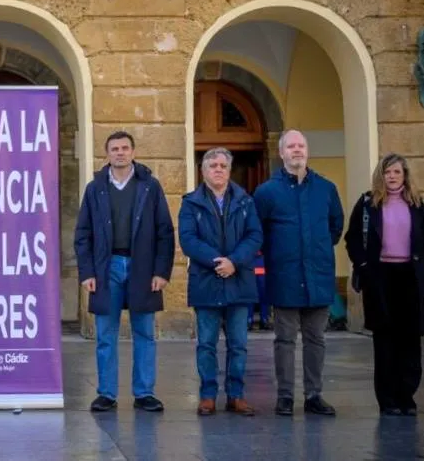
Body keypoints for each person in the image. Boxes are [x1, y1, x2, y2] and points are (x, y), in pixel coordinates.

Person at [74, 130, 175, 413]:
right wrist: (87, 272)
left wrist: (161, 272)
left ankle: (144, 393)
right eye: (114, 149)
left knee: (144, 332)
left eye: (125, 148)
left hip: (142, 268)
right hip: (107, 268)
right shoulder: (95, 188)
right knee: (106, 334)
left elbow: (164, 232)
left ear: (133, 152)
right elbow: (83, 234)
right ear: (107, 154)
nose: (120, 152)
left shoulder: (149, 186)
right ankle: (106, 393)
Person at [253, 129, 343, 417]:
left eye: (301, 145)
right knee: (285, 340)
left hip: (318, 274)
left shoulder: (326, 189)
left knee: (317, 338)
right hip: (285, 276)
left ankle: (314, 395)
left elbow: (335, 227)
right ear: (281, 153)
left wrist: (313, 250)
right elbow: (258, 232)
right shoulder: (267, 192)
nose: (296, 150)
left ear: (307, 151)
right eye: (290, 146)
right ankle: (286, 396)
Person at [179, 147, 262, 416]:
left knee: (238, 344)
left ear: (229, 170)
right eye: (212, 165)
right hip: (206, 280)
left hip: (239, 281)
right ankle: (208, 395)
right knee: (206, 344)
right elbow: (188, 240)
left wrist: (234, 262)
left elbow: (255, 236)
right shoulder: (191, 202)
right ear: (203, 171)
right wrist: (218, 262)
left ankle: (236, 395)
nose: (217, 169)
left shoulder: (245, 201)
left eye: (222, 165)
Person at [345, 153, 424, 416]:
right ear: (381, 175)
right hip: (380, 277)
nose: (391, 177)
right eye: (387, 172)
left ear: (405, 176)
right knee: (385, 339)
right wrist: (363, 266)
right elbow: (353, 237)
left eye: (397, 172)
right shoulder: (368, 204)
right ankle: (388, 399)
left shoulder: (417, 204)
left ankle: (407, 396)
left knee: (410, 340)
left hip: (410, 277)